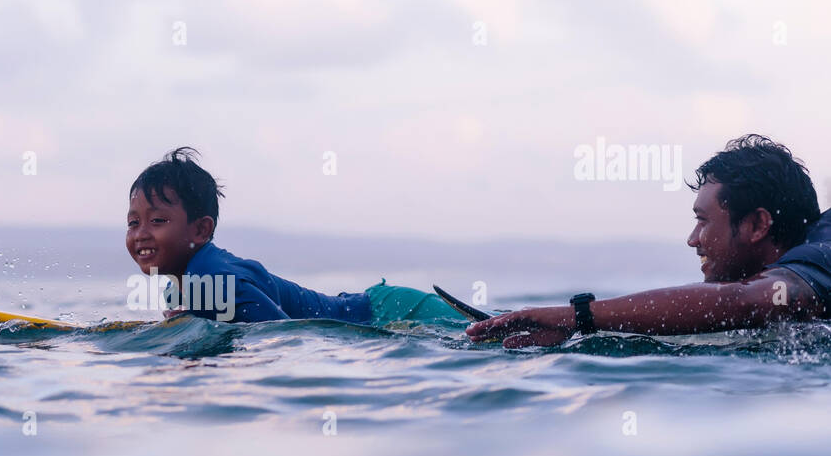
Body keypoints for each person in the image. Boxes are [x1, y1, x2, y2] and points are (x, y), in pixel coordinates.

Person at [466, 135, 831, 347]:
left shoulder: (823, 250)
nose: (693, 240)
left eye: (703, 221)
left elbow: (746, 300)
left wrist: (577, 317)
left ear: (757, 225)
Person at [126, 147, 461, 325]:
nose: (141, 234)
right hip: (378, 308)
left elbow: (286, 334)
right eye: (133, 223)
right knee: (498, 329)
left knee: (494, 332)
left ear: (201, 229)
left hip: (395, 313)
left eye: (156, 220)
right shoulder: (178, 289)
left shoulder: (210, 277)